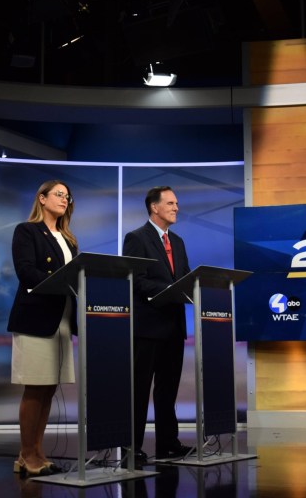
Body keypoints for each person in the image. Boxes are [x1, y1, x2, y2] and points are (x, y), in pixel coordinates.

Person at [7, 180, 77, 477]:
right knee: (35, 388)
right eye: (58, 194)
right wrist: (60, 282)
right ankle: (25, 455)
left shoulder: (70, 239)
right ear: (42, 198)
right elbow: (25, 271)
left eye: (67, 196)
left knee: (49, 389)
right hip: (36, 319)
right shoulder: (27, 231)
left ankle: (37, 451)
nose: (64, 199)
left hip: (62, 319)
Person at [122, 185, 192, 464]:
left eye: (177, 203)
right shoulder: (136, 238)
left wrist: (187, 289)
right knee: (139, 389)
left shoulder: (178, 242)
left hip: (173, 327)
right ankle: (131, 446)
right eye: (171, 203)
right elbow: (136, 280)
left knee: (168, 390)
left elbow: (185, 277)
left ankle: (168, 443)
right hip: (147, 327)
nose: (176, 207)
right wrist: (169, 290)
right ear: (154, 207)